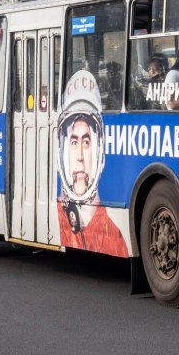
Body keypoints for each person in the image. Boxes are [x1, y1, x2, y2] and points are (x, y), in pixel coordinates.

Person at [57, 69, 128, 257]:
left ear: (99, 153)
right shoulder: (53, 221)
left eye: (86, 143)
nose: (79, 156)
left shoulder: (116, 238)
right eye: (73, 143)